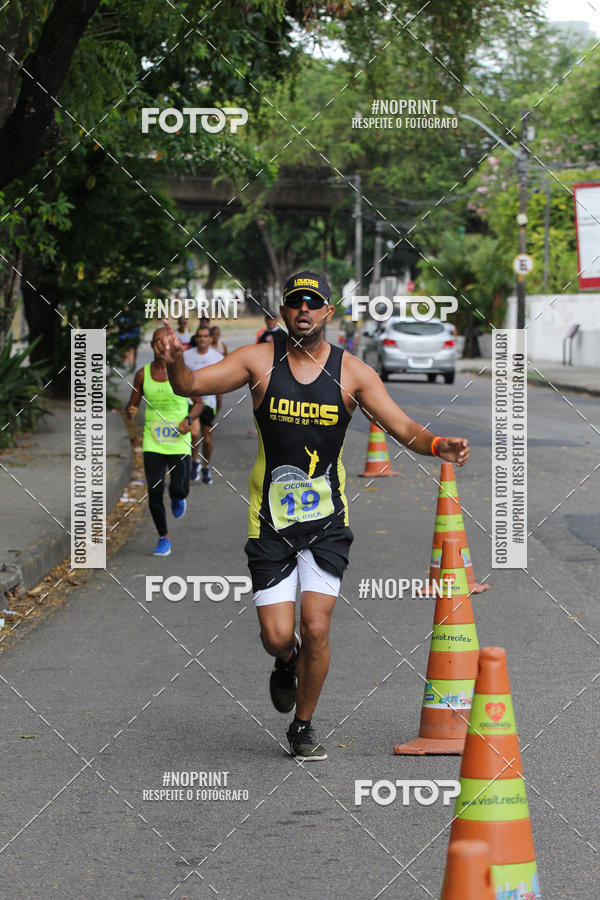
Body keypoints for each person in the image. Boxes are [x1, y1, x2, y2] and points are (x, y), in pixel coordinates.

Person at [156, 271, 470, 761]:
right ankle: (287, 661)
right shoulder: (259, 361)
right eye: (295, 302)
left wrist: (437, 445)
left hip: (326, 524)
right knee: (277, 635)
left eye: (314, 302)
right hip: (270, 522)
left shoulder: (353, 373)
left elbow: (402, 425)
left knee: (317, 626)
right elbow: (191, 383)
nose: (304, 309)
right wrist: (174, 359)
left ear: (328, 312)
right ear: (284, 311)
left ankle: (302, 726)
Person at [126, 327, 201, 556]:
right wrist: (130, 410)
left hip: (178, 441)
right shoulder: (142, 374)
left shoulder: (182, 373)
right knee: (155, 490)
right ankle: (163, 537)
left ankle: (178, 497)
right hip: (153, 441)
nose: (162, 346)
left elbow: (199, 403)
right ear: (152, 346)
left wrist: (189, 420)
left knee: (178, 488)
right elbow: (132, 404)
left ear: (172, 345)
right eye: (158, 342)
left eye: (166, 342)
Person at [182, 324, 223, 484]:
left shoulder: (217, 357)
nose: (202, 339)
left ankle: (206, 466)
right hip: (191, 401)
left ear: (211, 339)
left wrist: (219, 402)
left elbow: (221, 383)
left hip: (209, 402)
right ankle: (195, 461)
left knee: (207, 439)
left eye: (205, 336)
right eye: (199, 336)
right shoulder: (186, 355)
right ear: (196, 338)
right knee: (194, 433)